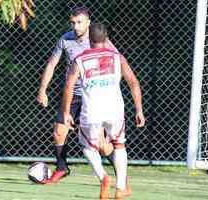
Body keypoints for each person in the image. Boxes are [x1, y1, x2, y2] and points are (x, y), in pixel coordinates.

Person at [62, 23, 145, 199]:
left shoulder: (79, 59)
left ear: (89, 40)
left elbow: (69, 86)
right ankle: (121, 187)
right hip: (115, 109)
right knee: (119, 144)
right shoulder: (117, 57)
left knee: (87, 146)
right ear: (106, 39)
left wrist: (66, 112)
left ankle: (103, 177)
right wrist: (139, 110)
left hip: (92, 110)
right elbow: (133, 83)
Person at [36, 7, 119, 184]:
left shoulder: (98, 40)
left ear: (88, 22)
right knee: (59, 132)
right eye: (73, 22)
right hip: (72, 95)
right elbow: (52, 64)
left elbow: (116, 60)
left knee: (101, 145)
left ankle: (121, 173)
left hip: (93, 98)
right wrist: (42, 90)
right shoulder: (65, 39)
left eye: (79, 22)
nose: (76, 26)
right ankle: (61, 167)